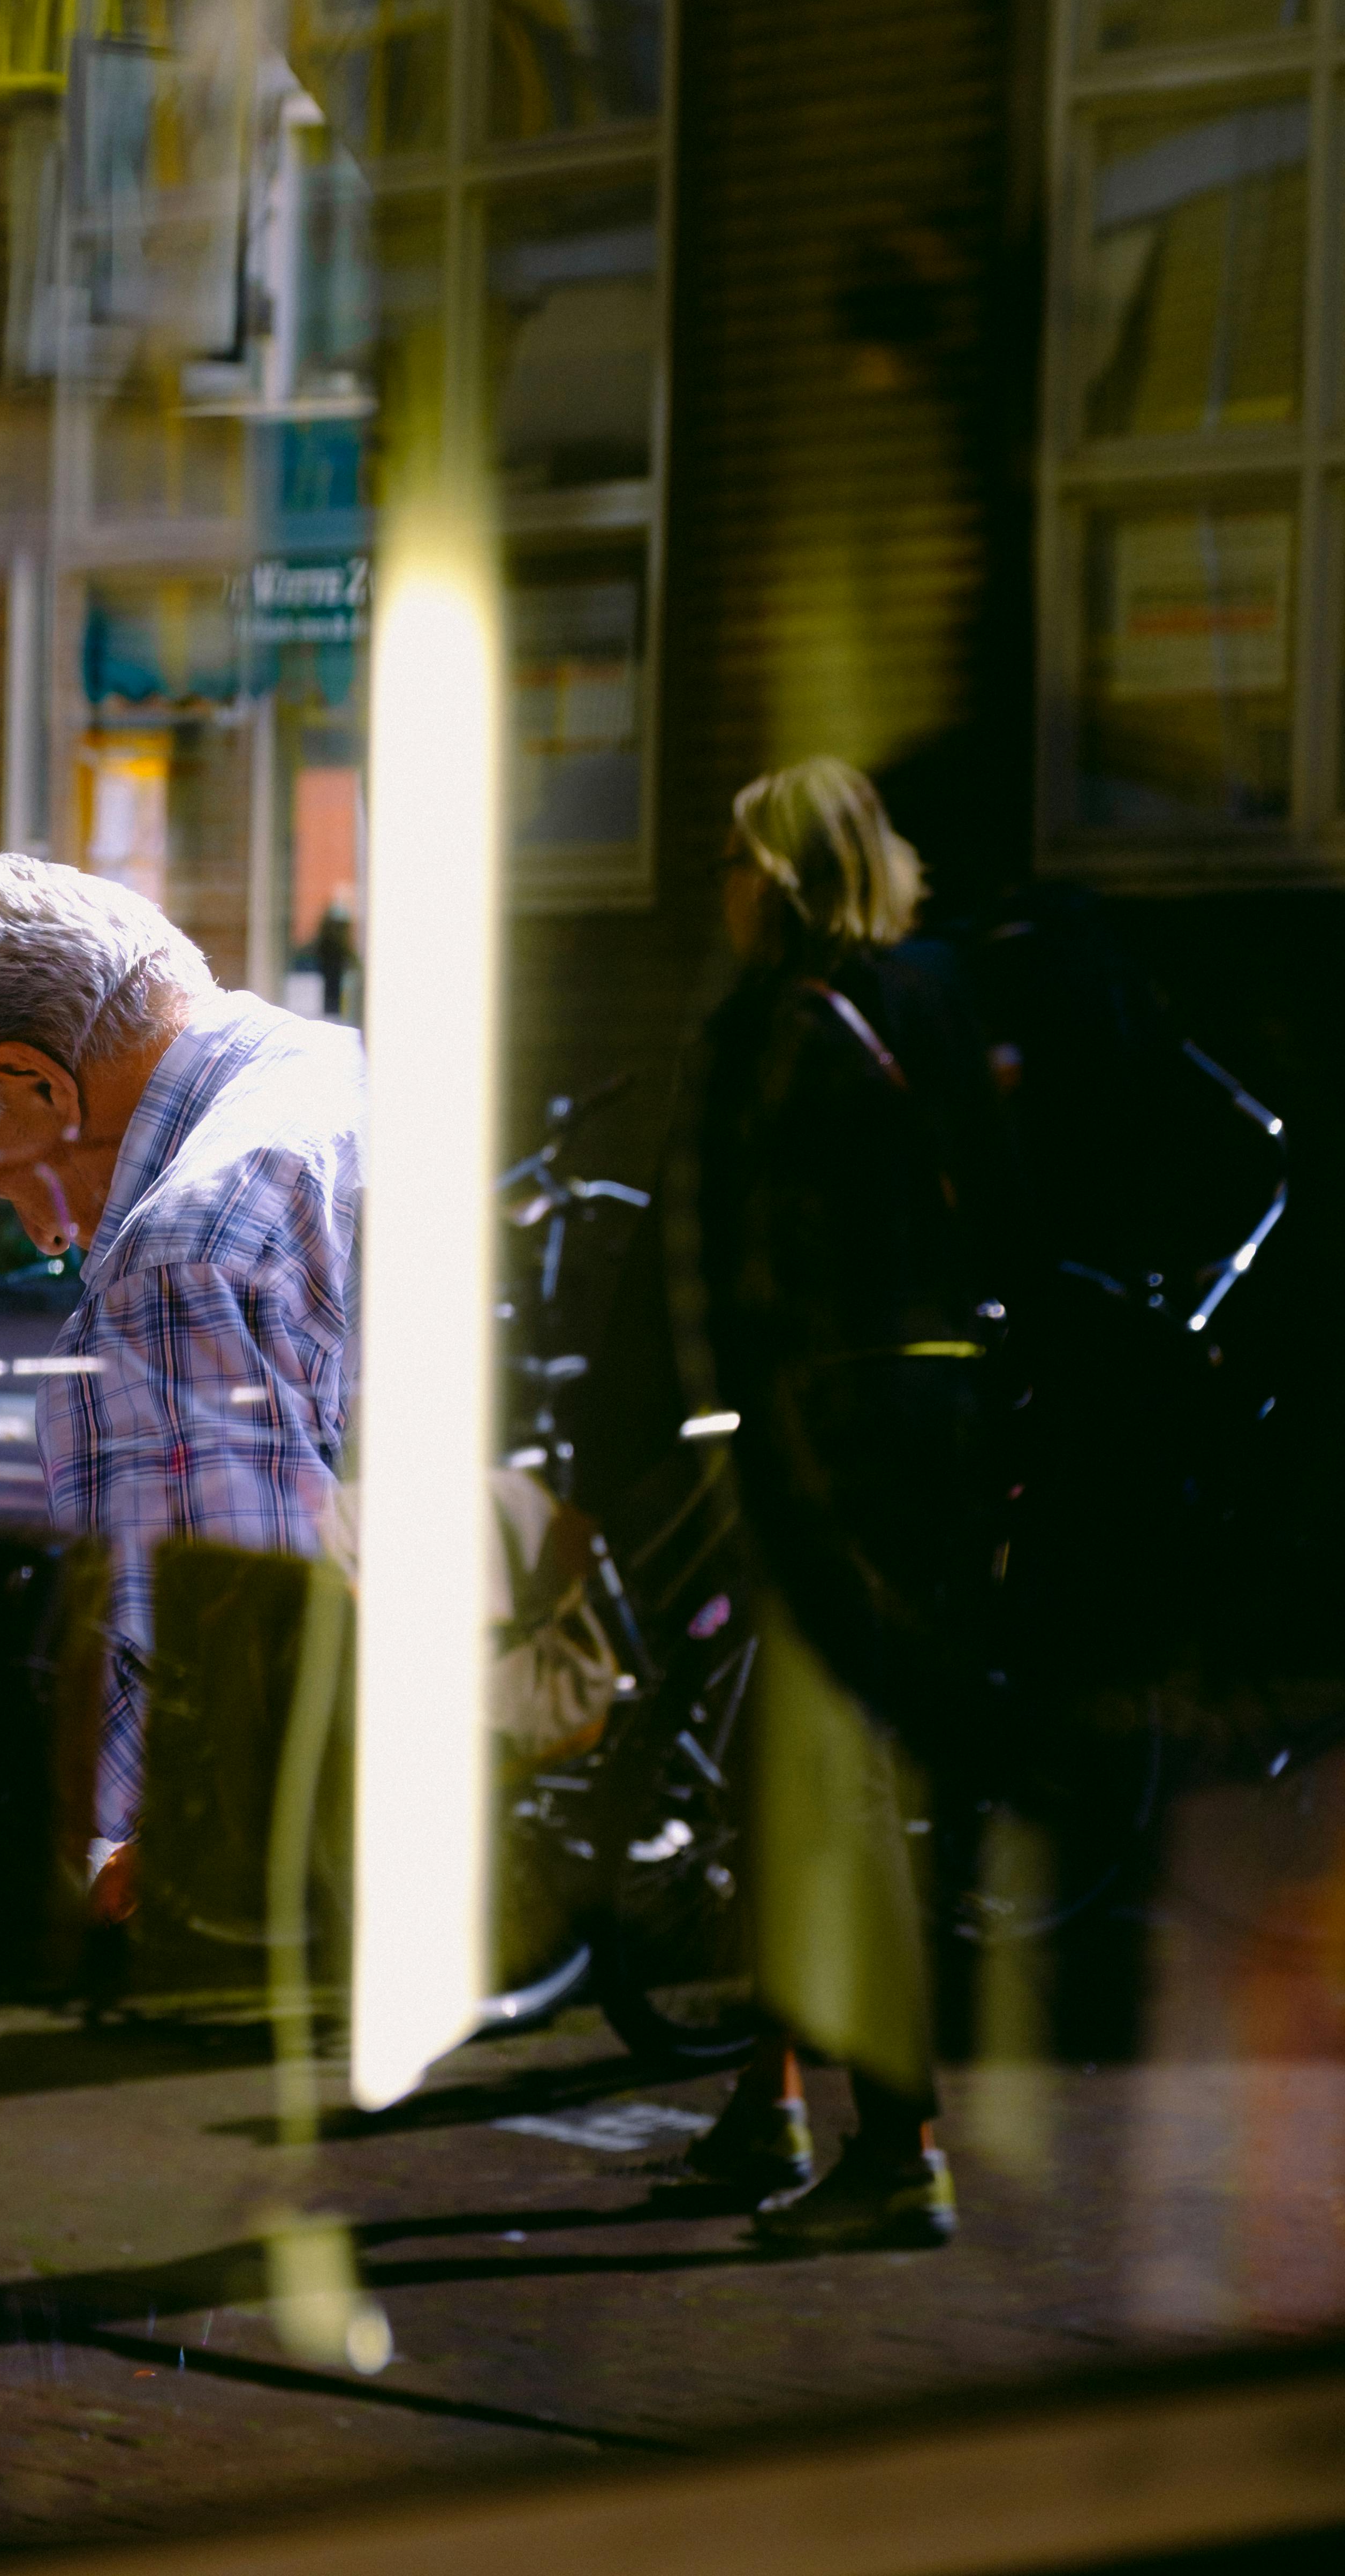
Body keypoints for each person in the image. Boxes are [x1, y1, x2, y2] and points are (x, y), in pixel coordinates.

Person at [0, 854, 363, 1908]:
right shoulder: (337, 1077)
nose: (36, 1236)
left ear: (36, 1079)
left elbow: (221, 1720)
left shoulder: (177, 1261)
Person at [673, 756, 1007, 2255]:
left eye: (739, 865)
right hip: (946, 1421)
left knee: (834, 1791)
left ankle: (900, 2151)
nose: (723, 892)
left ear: (782, 885)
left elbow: (733, 1271)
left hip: (827, 1437)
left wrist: (698, 1440)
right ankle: (770, 2100)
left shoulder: (771, 1034)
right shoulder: (938, 1001)